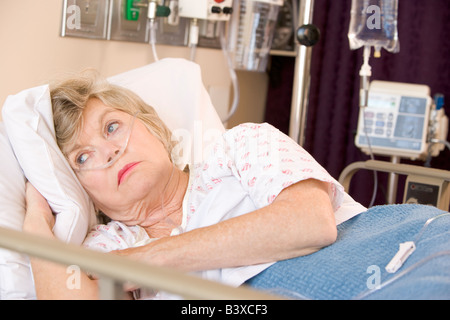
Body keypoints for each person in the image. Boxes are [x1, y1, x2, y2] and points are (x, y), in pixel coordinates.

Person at [23, 71, 366, 299]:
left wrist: (140, 264)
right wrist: (36, 224)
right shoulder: (105, 247)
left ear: (151, 126)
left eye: (111, 127)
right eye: (83, 158)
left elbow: (309, 223)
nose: (110, 151)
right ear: (82, 192)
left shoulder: (240, 147)